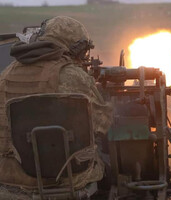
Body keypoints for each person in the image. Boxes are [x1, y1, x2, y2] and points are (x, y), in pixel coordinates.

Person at [0, 16, 112, 190]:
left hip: (11, 174)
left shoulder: (6, 74)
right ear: (77, 49)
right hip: (63, 177)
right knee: (105, 163)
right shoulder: (73, 76)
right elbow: (102, 125)